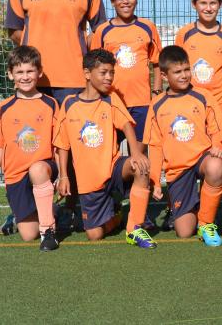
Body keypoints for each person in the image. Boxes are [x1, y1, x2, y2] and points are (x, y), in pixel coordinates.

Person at [3, 0, 106, 233]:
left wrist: (78, 57)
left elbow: (99, 32)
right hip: (36, 84)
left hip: (74, 81)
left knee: (73, 149)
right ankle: (30, 211)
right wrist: (34, 56)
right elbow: (15, 30)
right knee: (32, 146)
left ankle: (72, 208)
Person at [54, 49, 156, 248]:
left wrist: (136, 154)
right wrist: (64, 176)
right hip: (89, 182)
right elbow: (62, 145)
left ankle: (135, 228)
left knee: (141, 166)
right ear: (87, 73)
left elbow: (126, 125)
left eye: (112, 73)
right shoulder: (69, 104)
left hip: (113, 168)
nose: (109, 77)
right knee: (94, 235)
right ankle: (116, 215)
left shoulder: (110, 99)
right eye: (103, 72)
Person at [144, 45, 222, 246]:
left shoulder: (203, 96)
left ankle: (206, 223)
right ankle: (196, 205)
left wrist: (217, 145)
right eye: (177, 72)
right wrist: (155, 181)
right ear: (164, 76)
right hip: (177, 169)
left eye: (187, 69)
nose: (184, 75)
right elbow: (155, 146)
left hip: (201, 158)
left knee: (215, 166)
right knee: (184, 232)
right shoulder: (157, 104)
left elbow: (217, 127)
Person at [0, 46, 59, 251]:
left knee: (37, 169)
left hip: (44, 169)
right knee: (28, 235)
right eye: (19, 72)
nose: (25, 77)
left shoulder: (51, 104)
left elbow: (59, 143)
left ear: (39, 72)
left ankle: (48, 231)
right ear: (10, 75)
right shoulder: (4, 108)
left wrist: (62, 175)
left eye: (30, 71)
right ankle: (50, 210)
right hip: (15, 175)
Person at [90, 0, 162, 144]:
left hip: (141, 103)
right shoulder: (102, 31)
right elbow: (94, 67)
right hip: (111, 101)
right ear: (112, 1)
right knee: (110, 151)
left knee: (138, 155)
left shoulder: (147, 27)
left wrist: (156, 92)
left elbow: (157, 62)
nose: (126, 1)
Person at [174, 0, 222, 109]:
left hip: (219, 105)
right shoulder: (184, 34)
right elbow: (176, 67)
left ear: (220, 4)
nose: (208, 8)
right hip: (189, 104)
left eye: (213, 3)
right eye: (203, 3)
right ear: (194, 4)